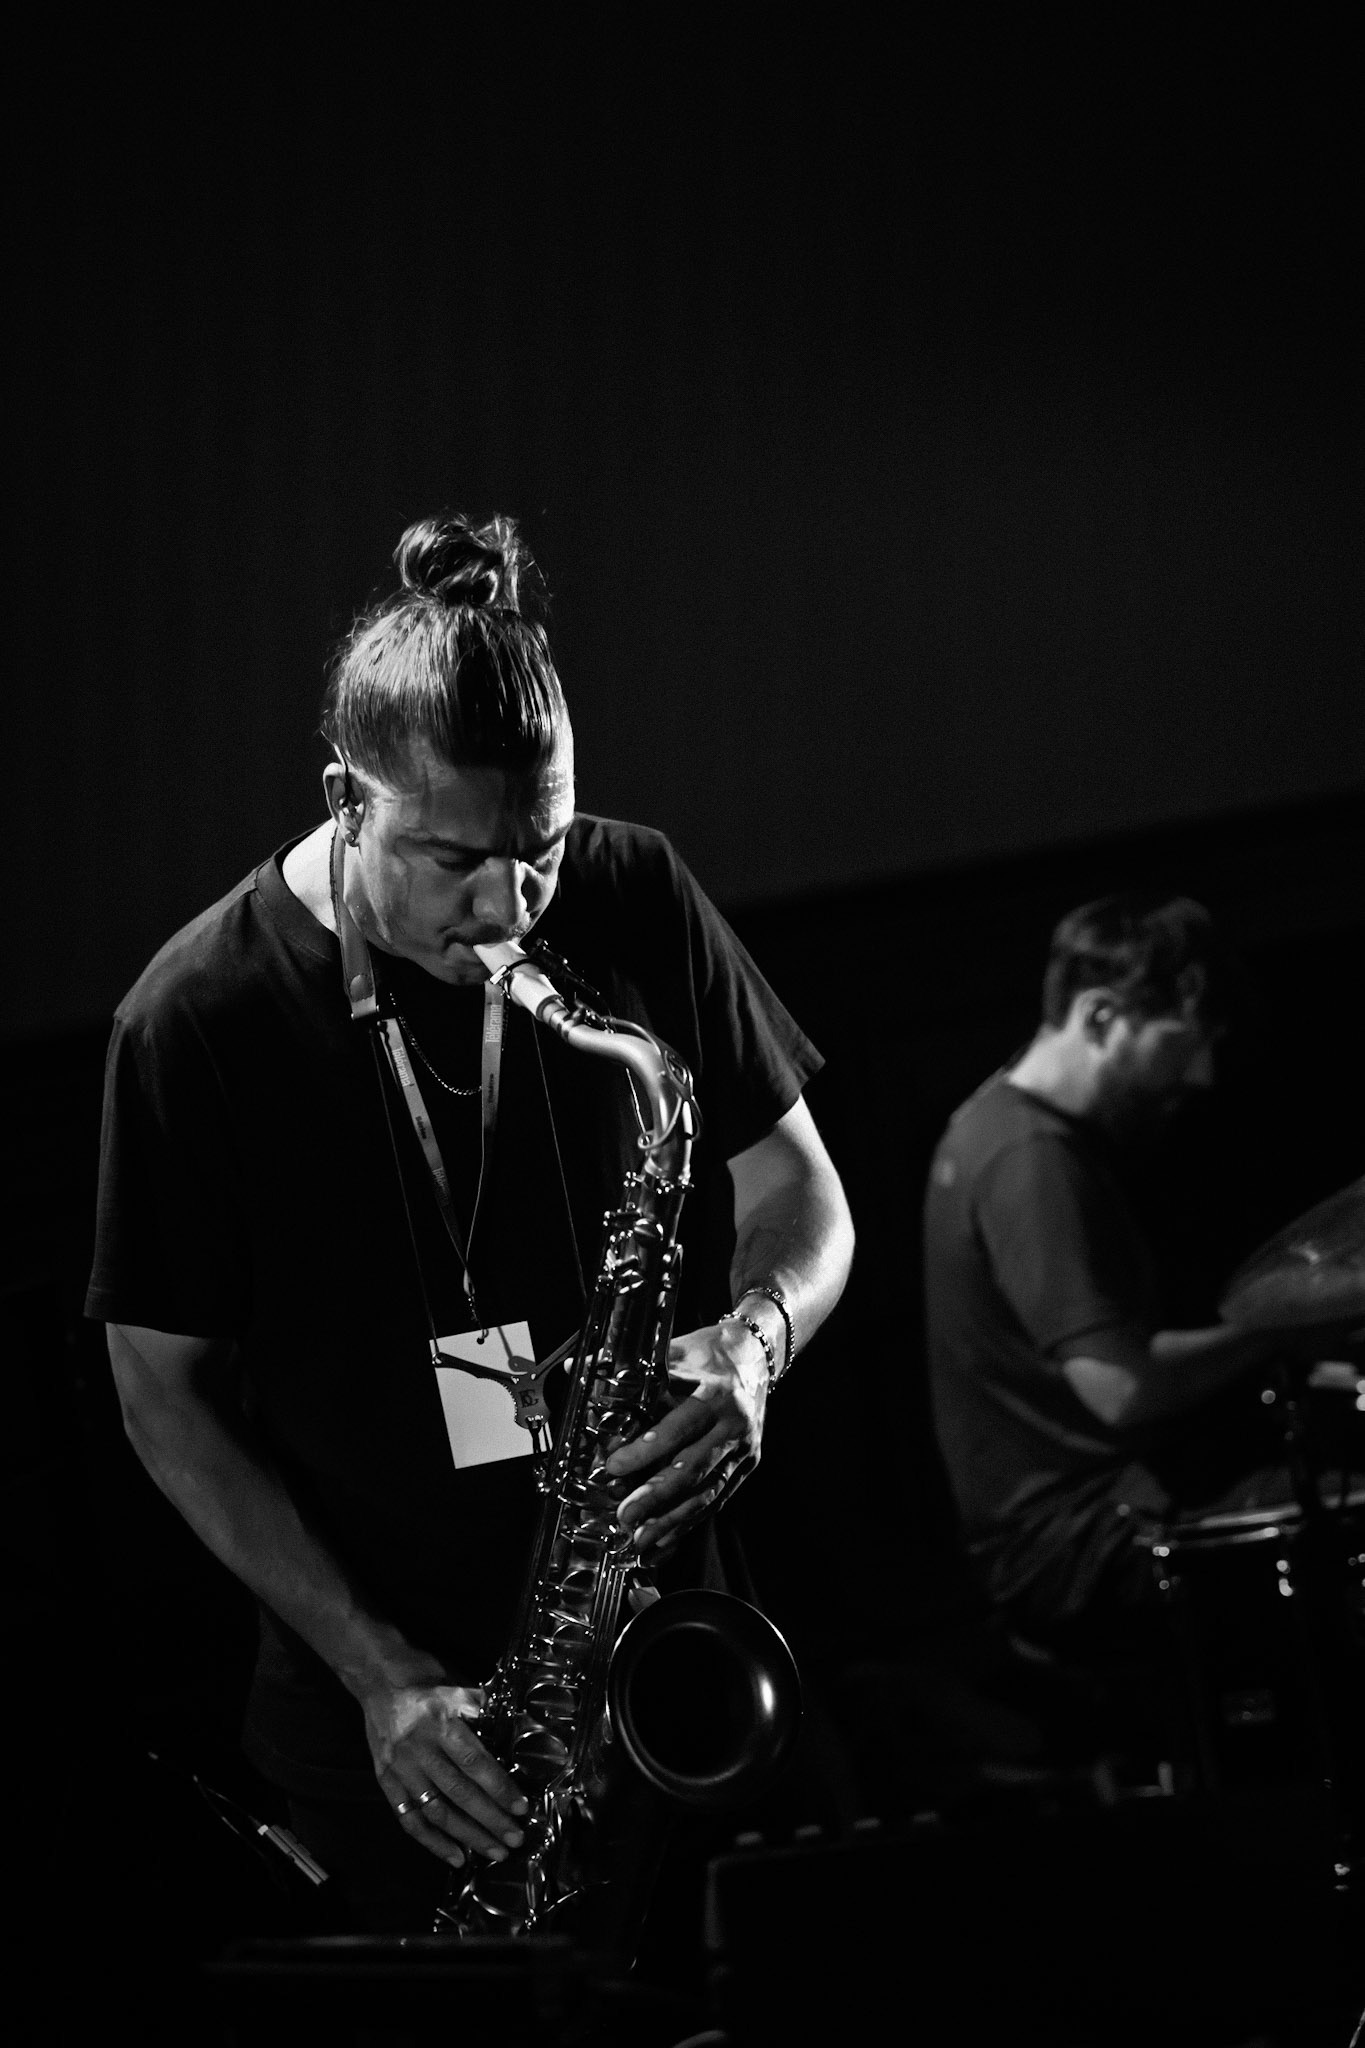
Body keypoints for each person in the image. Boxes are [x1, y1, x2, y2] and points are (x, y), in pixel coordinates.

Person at [87, 511, 855, 1931]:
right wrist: (379, 1674)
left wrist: (754, 1342)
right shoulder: (194, 1018)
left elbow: (804, 1191)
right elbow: (159, 1396)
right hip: (400, 1717)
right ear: (345, 796)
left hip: (653, 1636)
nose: (510, 908)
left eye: (542, 850)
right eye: (454, 862)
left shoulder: (634, 888)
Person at [923, 893, 1298, 1638]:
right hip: (1078, 1543)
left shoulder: (993, 1122)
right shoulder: (1029, 1159)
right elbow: (1121, 1391)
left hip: (1088, 1517)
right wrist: (1281, 1327)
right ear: (1100, 1017)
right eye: (1182, 1040)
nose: (1200, 1075)